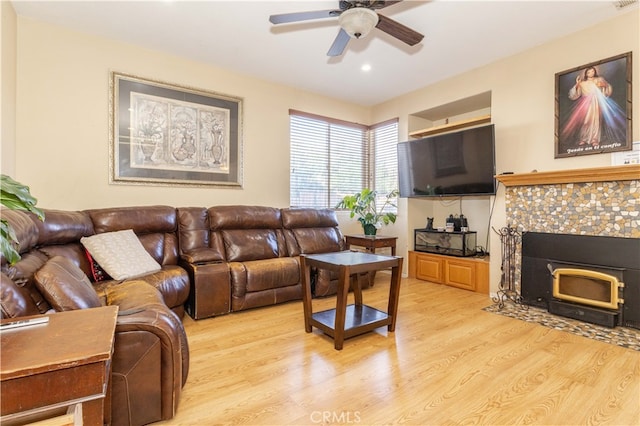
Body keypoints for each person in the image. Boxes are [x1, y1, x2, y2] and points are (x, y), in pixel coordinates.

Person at [561, 65, 625, 148]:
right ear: (586, 73)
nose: (591, 73)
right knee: (585, 121)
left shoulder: (599, 79)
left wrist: (604, 85)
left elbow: (607, 88)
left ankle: (594, 139)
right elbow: (574, 95)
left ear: (594, 72)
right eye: (589, 72)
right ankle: (584, 138)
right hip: (585, 103)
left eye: (592, 71)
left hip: (596, 102)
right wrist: (577, 84)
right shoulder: (582, 83)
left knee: (595, 120)